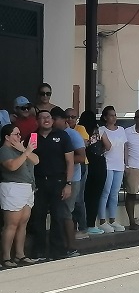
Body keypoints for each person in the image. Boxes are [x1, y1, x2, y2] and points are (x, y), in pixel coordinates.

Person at [31, 109, 74, 260]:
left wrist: (68, 184)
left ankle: (57, 251)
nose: (45, 120)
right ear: (37, 121)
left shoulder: (62, 136)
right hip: (39, 182)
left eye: (48, 117)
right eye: (42, 117)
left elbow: (70, 161)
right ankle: (39, 251)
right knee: (38, 217)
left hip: (58, 182)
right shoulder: (33, 137)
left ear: (53, 119)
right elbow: (28, 160)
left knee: (58, 216)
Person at [0, 124, 39, 268]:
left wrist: (24, 150)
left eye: (19, 134)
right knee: (11, 224)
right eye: (16, 134)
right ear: (7, 137)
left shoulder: (20, 149)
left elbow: (36, 160)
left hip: (27, 187)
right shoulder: (4, 150)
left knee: (23, 223)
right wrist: (26, 152)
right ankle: (5, 257)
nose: (19, 137)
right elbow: (12, 166)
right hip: (12, 187)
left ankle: (20, 254)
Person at [51, 107, 85, 257]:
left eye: (54, 119)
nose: (51, 122)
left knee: (66, 212)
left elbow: (81, 157)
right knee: (59, 212)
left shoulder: (73, 135)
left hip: (72, 179)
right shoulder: (49, 134)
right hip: (54, 179)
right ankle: (60, 245)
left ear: (62, 119)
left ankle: (71, 246)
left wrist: (63, 162)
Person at [97, 106, 127, 233]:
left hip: (119, 165)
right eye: (111, 115)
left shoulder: (121, 130)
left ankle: (113, 219)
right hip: (107, 164)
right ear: (105, 117)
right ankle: (102, 220)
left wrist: (126, 163)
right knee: (106, 192)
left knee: (114, 193)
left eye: (115, 115)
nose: (114, 118)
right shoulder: (101, 130)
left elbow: (124, 147)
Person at [79, 111, 109, 235]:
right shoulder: (99, 130)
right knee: (95, 196)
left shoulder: (79, 130)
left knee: (83, 196)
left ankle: (81, 224)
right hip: (99, 164)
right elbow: (108, 146)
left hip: (84, 164)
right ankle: (91, 224)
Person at [66, 108, 89, 239]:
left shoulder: (80, 129)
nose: (70, 119)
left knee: (78, 199)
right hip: (68, 168)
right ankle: (72, 228)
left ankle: (83, 228)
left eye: (73, 117)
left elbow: (83, 144)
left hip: (81, 165)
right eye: (68, 117)